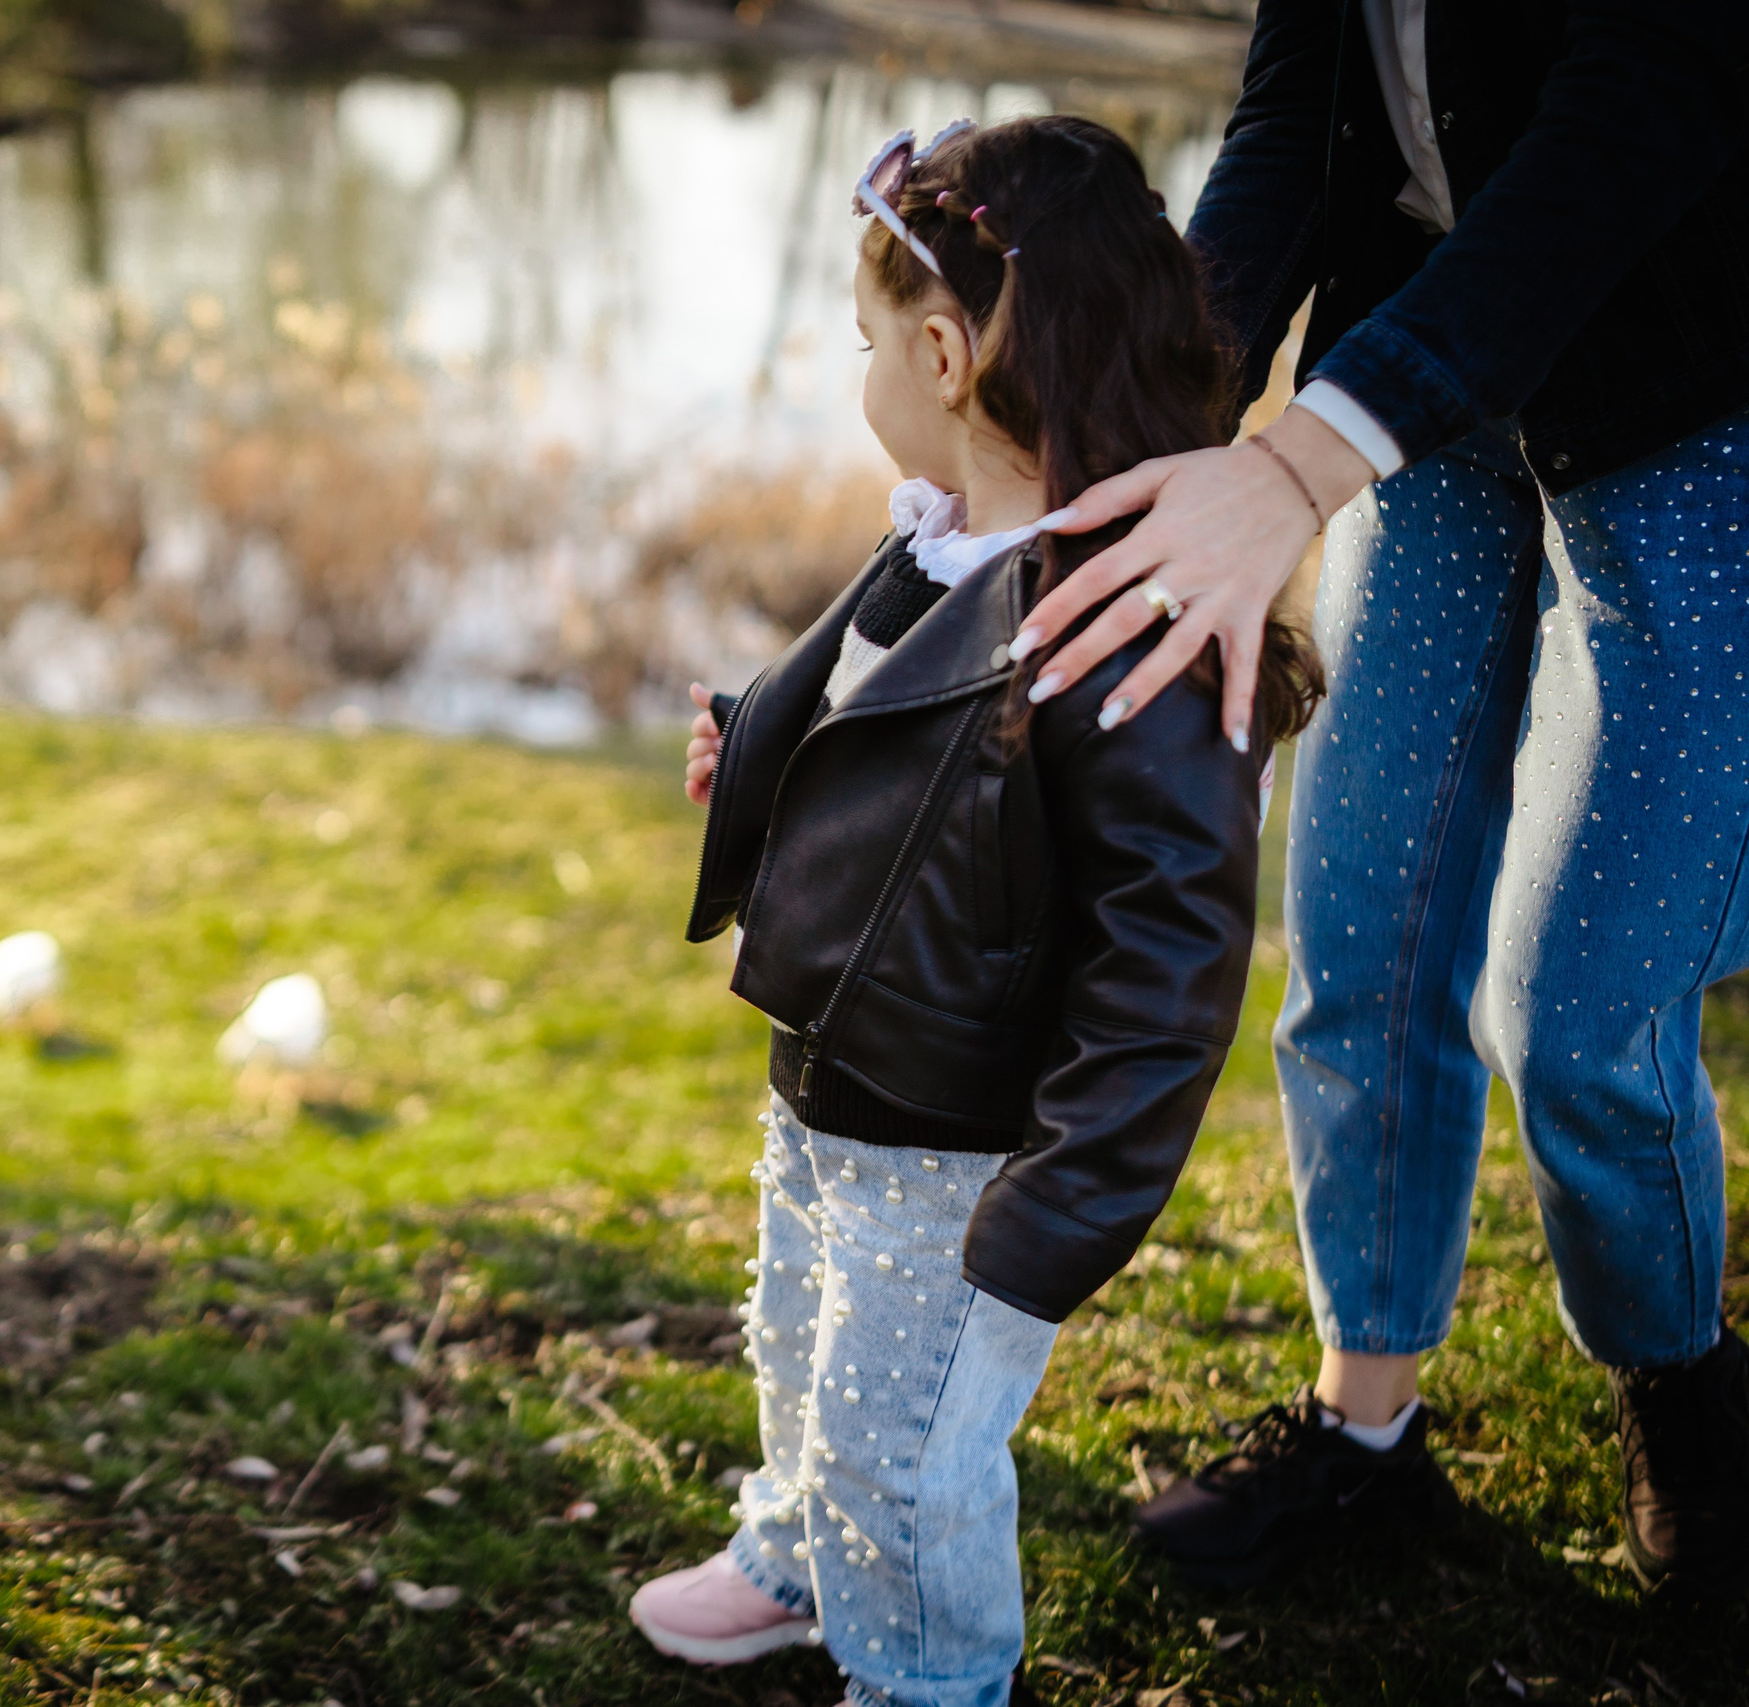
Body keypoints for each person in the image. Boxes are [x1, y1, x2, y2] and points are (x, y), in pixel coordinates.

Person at [998, 2, 1749, 1597]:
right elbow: (1295, 125)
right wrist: (1140, 419)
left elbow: (1628, 124)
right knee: (1361, 936)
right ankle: (1367, 1434)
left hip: (1695, 396)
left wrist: (1289, 470)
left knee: (1579, 1021)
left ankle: (1682, 1389)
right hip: (1424, 388)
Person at [625, 115, 1321, 1707]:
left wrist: (1059, 1214)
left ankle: (931, 1677)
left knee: (907, 1447)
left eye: (864, 342)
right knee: (800, 1350)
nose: (857, 371)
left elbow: (1170, 958)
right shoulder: (941, 548)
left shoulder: (1126, 621)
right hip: (831, 1083)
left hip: (962, 1157)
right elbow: (893, 732)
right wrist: (760, 748)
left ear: (943, 355)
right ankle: (799, 1555)